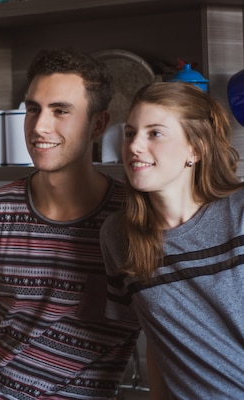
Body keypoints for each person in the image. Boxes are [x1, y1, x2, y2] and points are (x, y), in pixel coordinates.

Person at [0, 49, 141, 399]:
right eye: (33, 109)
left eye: (60, 111)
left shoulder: (133, 219)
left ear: (98, 124)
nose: (39, 126)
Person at [101, 81, 244, 399]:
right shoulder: (117, 236)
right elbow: (160, 342)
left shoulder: (240, 215)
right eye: (130, 133)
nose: (134, 146)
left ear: (196, 149)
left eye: (155, 133)